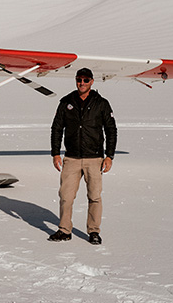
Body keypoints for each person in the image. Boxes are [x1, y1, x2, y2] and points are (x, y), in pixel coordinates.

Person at [49, 68, 117, 245]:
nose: (82, 83)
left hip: (94, 158)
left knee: (94, 196)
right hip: (71, 158)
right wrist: (55, 153)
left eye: (86, 80)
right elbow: (56, 128)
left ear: (92, 82)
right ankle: (64, 230)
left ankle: (93, 231)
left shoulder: (101, 103)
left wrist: (109, 156)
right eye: (79, 79)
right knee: (66, 196)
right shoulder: (66, 102)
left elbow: (111, 130)